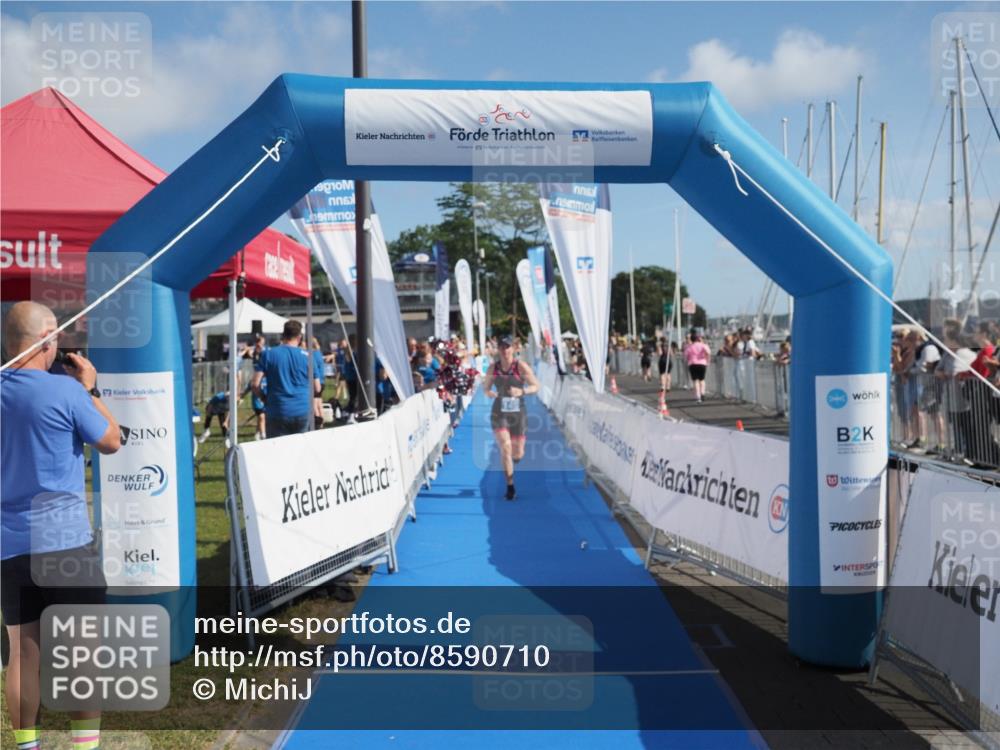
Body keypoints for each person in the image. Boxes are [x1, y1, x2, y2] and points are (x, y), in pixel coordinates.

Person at [1, 301, 122, 750]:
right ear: (46, 340)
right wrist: (90, 389)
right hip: (66, 542)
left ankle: (27, 745)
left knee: (22, 655)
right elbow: (112, 441)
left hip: (10, 544)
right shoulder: (65, 392)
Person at [483, 335, 540, 501]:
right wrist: (489, 393)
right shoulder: (493, 368)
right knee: (505, 447)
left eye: (507, 347)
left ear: (514, 349)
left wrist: (522, 391)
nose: (505, 350)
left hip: (518, 412)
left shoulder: (521, 366)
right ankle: (510, 486)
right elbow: (485, 388)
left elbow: (536, 386)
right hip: (499, 411)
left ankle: (513, 461)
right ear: (498, 349)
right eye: (501, 347)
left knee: (518, 453)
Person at [252, 320, 317, 438]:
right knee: (301, 451)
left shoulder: (268, 354)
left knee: (277, 451)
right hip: (302, 409)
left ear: (283, 335)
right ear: (299, 337)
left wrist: (264, 398)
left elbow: (255, 384)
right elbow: (317, 387)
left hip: (277, 409)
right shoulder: (308, 356)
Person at [684, 332, 711, 402]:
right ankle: (703, 393)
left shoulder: (689, 346)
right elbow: (708, 352)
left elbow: (685, 355)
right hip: (702, 363)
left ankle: (698, 396)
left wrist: (688, 360)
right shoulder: (703, 345)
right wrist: (707, 360)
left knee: (695, 381)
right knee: (702, 380)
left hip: (692, 364)